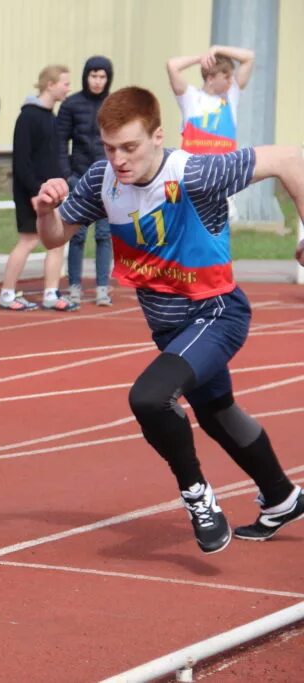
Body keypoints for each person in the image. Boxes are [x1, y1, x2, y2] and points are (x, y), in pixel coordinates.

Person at [34, 86, 304, 554]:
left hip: (217, 313)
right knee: (218, 416)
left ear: (158, 136)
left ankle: (197, 494)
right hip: (171, 328)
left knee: (150, 397)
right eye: (110, 147)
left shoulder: (197, 172)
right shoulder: (103, 179)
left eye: (131, 147)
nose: (119, 159)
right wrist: (44, 211)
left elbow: (291, 159)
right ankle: (282, 498)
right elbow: (56, 239)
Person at [0, 65, 76, 312]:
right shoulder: (28, 117)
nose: (68, 88)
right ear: (50, 85)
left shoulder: (53, 119)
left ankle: (51, 293)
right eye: (65, 83)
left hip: (52, 192)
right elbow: (21, 161)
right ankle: (7, 293)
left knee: (57, 241)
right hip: (30, 192)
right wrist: (35, 191)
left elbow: (52, 158)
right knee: (28, 240)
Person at [57, 56, 114, 307]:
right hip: (78, 177)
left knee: (104, 234)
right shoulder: (71, 105)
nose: (98, 81)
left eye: (102, 77)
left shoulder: (114, 104)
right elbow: (60, 141)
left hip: (108, 178)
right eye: (93, 76)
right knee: (76, 235)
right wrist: (66, 174)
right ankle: (74, 287)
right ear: (86, 76)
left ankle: (102, 286)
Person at [167, 45, 255, 155]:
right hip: (193, 170)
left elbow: (249, 57)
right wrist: (200, 59)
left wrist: (217, 49)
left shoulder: (231, 95)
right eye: (226, 77)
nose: (231, 81)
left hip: (223, 171)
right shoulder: (190, 97)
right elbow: (172, 65)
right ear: (210, 79)